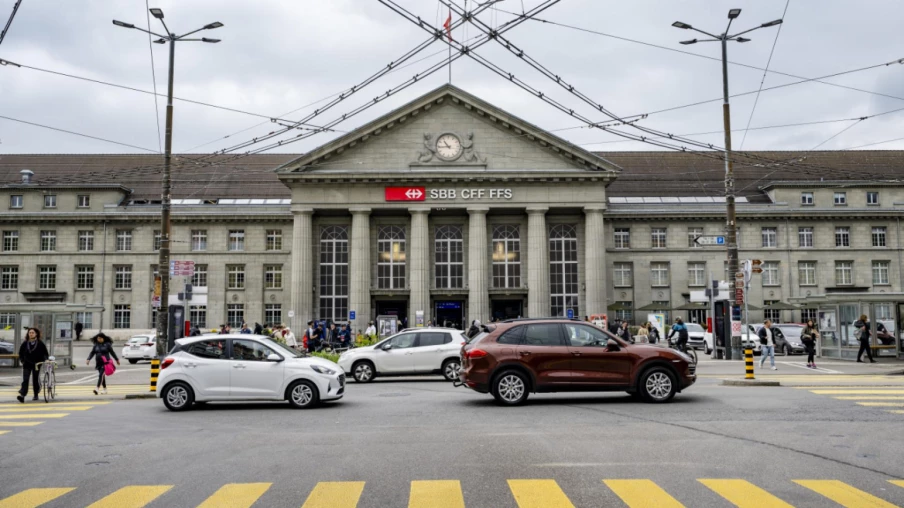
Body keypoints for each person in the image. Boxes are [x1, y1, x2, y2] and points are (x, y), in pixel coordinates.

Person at [16, 327, 48, 403]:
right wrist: (22, 360)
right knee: (25, 379)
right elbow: (20, 353)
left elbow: (45, 353)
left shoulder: (40, 343)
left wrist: (45, 359)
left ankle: (35, 394)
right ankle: (22, 395)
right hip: (27, 364)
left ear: (36, 334)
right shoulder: (25, 343)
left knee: (35, 379)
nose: (31, 334)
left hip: (37, 364)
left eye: (32, 333)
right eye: (30, 333)